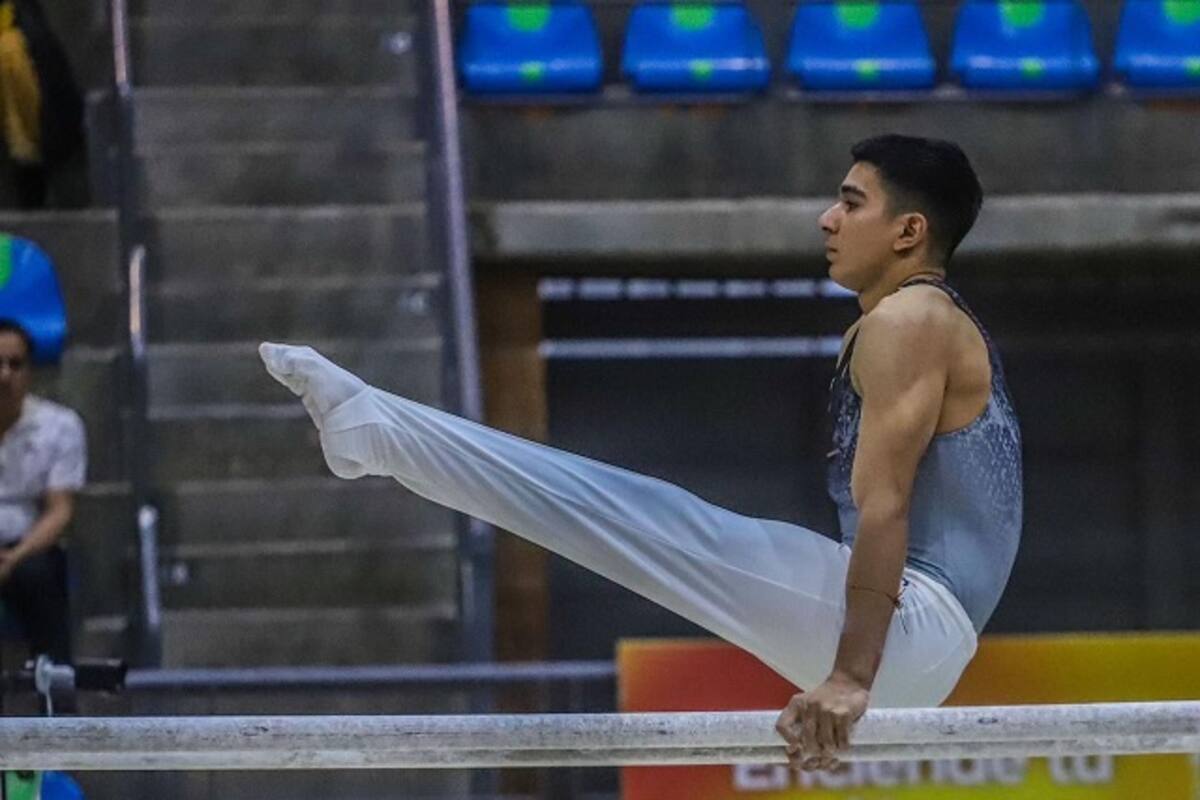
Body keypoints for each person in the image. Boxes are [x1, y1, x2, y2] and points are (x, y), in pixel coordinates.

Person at [258, 134, 1022, 772]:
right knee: (648, 520)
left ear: (909, 231)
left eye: (852, 203)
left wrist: (852, 678)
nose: (827, 218)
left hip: (906, 629)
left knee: (641, 519)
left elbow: (883, 502)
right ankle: (379, 431)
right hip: (918, 639)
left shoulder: (911, 320)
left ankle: (379, 429)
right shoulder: (917, 323)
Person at [0, 320, 85, 665]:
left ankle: (57, 706)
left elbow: (59, 510)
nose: (4, 375)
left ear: (30, 371)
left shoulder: (60, 427)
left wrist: (14, 557)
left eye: (15, 364)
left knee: (39, 575)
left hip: (29, 549)